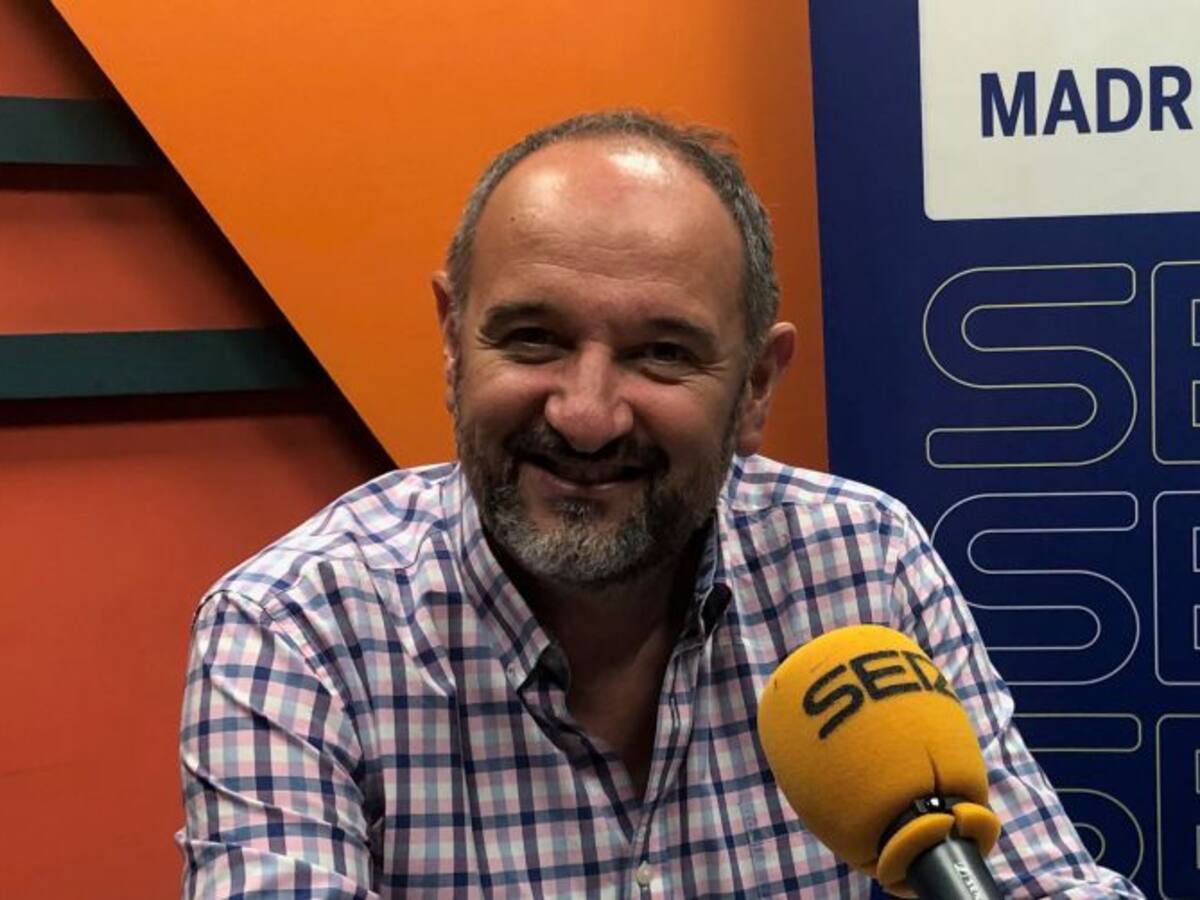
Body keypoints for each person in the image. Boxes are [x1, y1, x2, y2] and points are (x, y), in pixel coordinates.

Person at [176, 110, 1142, 898]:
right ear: (452, 342)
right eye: (533, 338)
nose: (587, 415)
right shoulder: (296, 629)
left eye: (662, 354)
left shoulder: (863, 561)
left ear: (755, 386)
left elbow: (1039, 881)